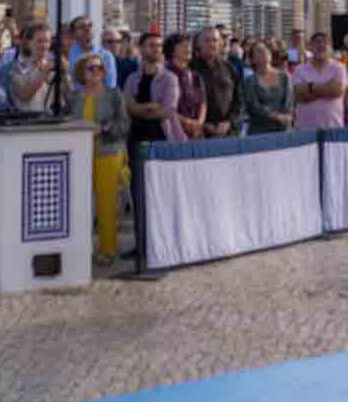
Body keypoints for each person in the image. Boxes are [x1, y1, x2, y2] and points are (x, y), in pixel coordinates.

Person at [119, 33, 178, 272]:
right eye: (152, 45)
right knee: (138, 194)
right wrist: (146, 108)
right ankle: (141, 244)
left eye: (159, 45)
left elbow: (167, 111)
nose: (156, 49)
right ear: (141, 48)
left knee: (161, 195)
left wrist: (139, 109)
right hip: (136, 140)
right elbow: (127, 106)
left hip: (161, 140)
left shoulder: (169, 78)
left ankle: (162, 245)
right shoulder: (133, 78)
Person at [73, 52, 130, 262]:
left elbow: (124, 124)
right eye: (91, 68)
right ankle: (81, 249)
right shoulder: (74, 96)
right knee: (80, 204)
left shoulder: (114, 94)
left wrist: (104, 128)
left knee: (107, 204)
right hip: (80, 155)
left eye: (100, 68)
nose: (97, 72)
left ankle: (107, 250)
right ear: (82, 72)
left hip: (107, 152)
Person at [291, 32, 347, 131]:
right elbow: (299, 95)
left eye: (324, 42)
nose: (321, 45)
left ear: (330, 47)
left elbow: (337, 91)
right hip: (304, 129)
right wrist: (327, 88)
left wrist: (309, 87)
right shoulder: (299, 69)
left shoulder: (339, 68)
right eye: (316, 42)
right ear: (310, 46)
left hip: (333, 127)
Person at [238, 41, 294, 134]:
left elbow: (289, 102)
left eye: (266, 49)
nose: (264, 51)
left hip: (283, 130)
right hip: (259, 132)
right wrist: (276, 116)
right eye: (259, 51)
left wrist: (285, 117)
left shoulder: (285, 76)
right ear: (252, 60)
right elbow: (254, 107)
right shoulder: (249, 81)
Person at [192, 28, 239, 138]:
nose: (211, 44)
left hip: (228, 132)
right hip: (199, 133)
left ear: (221, 44)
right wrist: (203, 123)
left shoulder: (230, 68)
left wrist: (229, 122)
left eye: (215, 40)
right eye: (207, 40)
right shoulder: (190, 69)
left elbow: (239, 100)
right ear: (198, 44)